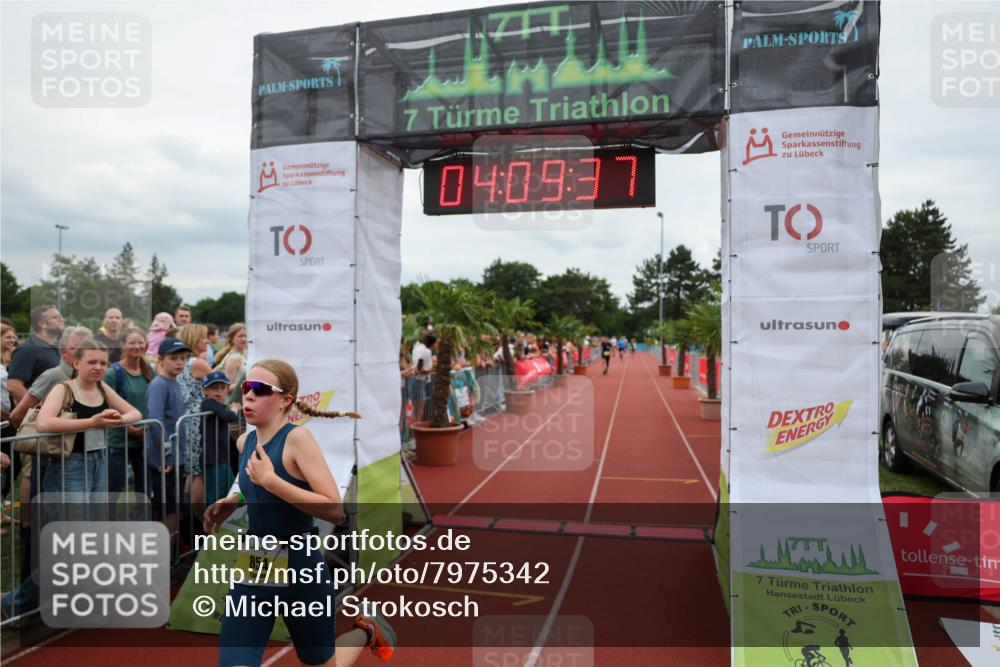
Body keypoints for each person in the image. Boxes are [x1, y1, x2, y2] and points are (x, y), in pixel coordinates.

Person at [203, 359, 395, 666]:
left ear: (285, 400)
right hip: (256, 561)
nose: (248, 395)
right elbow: (253, 483)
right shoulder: (244, 441)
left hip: (301, 565)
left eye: (260, 389)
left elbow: (333, 508)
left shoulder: (298, 440)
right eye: (246, 388)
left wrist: (272, 482)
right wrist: (235, 500)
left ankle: (367, 630)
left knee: (320, 664)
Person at [38, 339, 141, 498]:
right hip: (69, 463)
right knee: (74, 520)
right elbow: (43, 423)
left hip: (99, 459)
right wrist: (92, 422)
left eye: (103, 363)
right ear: (77, 364)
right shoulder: (63, 389)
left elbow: (135, 413)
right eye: (92, 362)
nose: (98, 367)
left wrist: (116, 419)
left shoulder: (102, 387)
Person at [145, 337, 190, 531]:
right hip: (165, 461)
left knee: (176, 505)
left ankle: (174, 552)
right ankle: (167, 557)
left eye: (183, 358)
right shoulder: (159, 385)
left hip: (176, 457)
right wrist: (166, 456)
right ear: (161, 359)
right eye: (174, 358)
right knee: (169, 508)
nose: (180, 362)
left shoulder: (175, 382)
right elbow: (156, 423)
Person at [104, 327, 154, 494]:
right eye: (132, 342)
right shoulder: (112, 374)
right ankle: (108, 520)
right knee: (114, 488)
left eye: (140, 342)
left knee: (145, 488)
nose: (136, 346)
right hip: (118, 441)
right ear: (123, 346)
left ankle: (141, 519)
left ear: (146, 345)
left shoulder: (149, 371)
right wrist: (128, 428)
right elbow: (107, 404)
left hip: (144, 440)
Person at [177, 324, 213, 508]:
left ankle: (186, 516)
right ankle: (196, 517)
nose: (207, 341)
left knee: (191, 471)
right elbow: (220, 384)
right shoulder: (197, 363)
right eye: (204, 337)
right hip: (198, 422)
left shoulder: (184, 363)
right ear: (194, 340)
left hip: (187, 421)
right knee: (198, 472)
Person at [7, 305, 63, 405]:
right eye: (55, 318)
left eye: (60, 316)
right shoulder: (27, 349)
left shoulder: (57, 347)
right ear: (42, 324)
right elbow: (14, 385)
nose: (62, 320)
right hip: (40, 417)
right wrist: (38, 408)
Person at [199, 371, 240, 507]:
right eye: (214, 387)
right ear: (205, 391)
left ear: (228, 389)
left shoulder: (217, 406)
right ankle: (210, 525)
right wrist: (234, 409)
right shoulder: (209, 403)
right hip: (212, 459)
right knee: (214, 495)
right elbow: (230, 416)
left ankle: (227, 523)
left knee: (230, 489)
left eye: (222, 387)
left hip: (221, 457)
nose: (219, 391)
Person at [213, 323, 248, 403]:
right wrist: (249, 383)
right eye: (240, 336)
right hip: (234, 403)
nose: (244, 339)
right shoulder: (233, 359)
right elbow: (228, 388)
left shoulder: (245, 355)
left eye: (245, 336)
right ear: (232, 338)